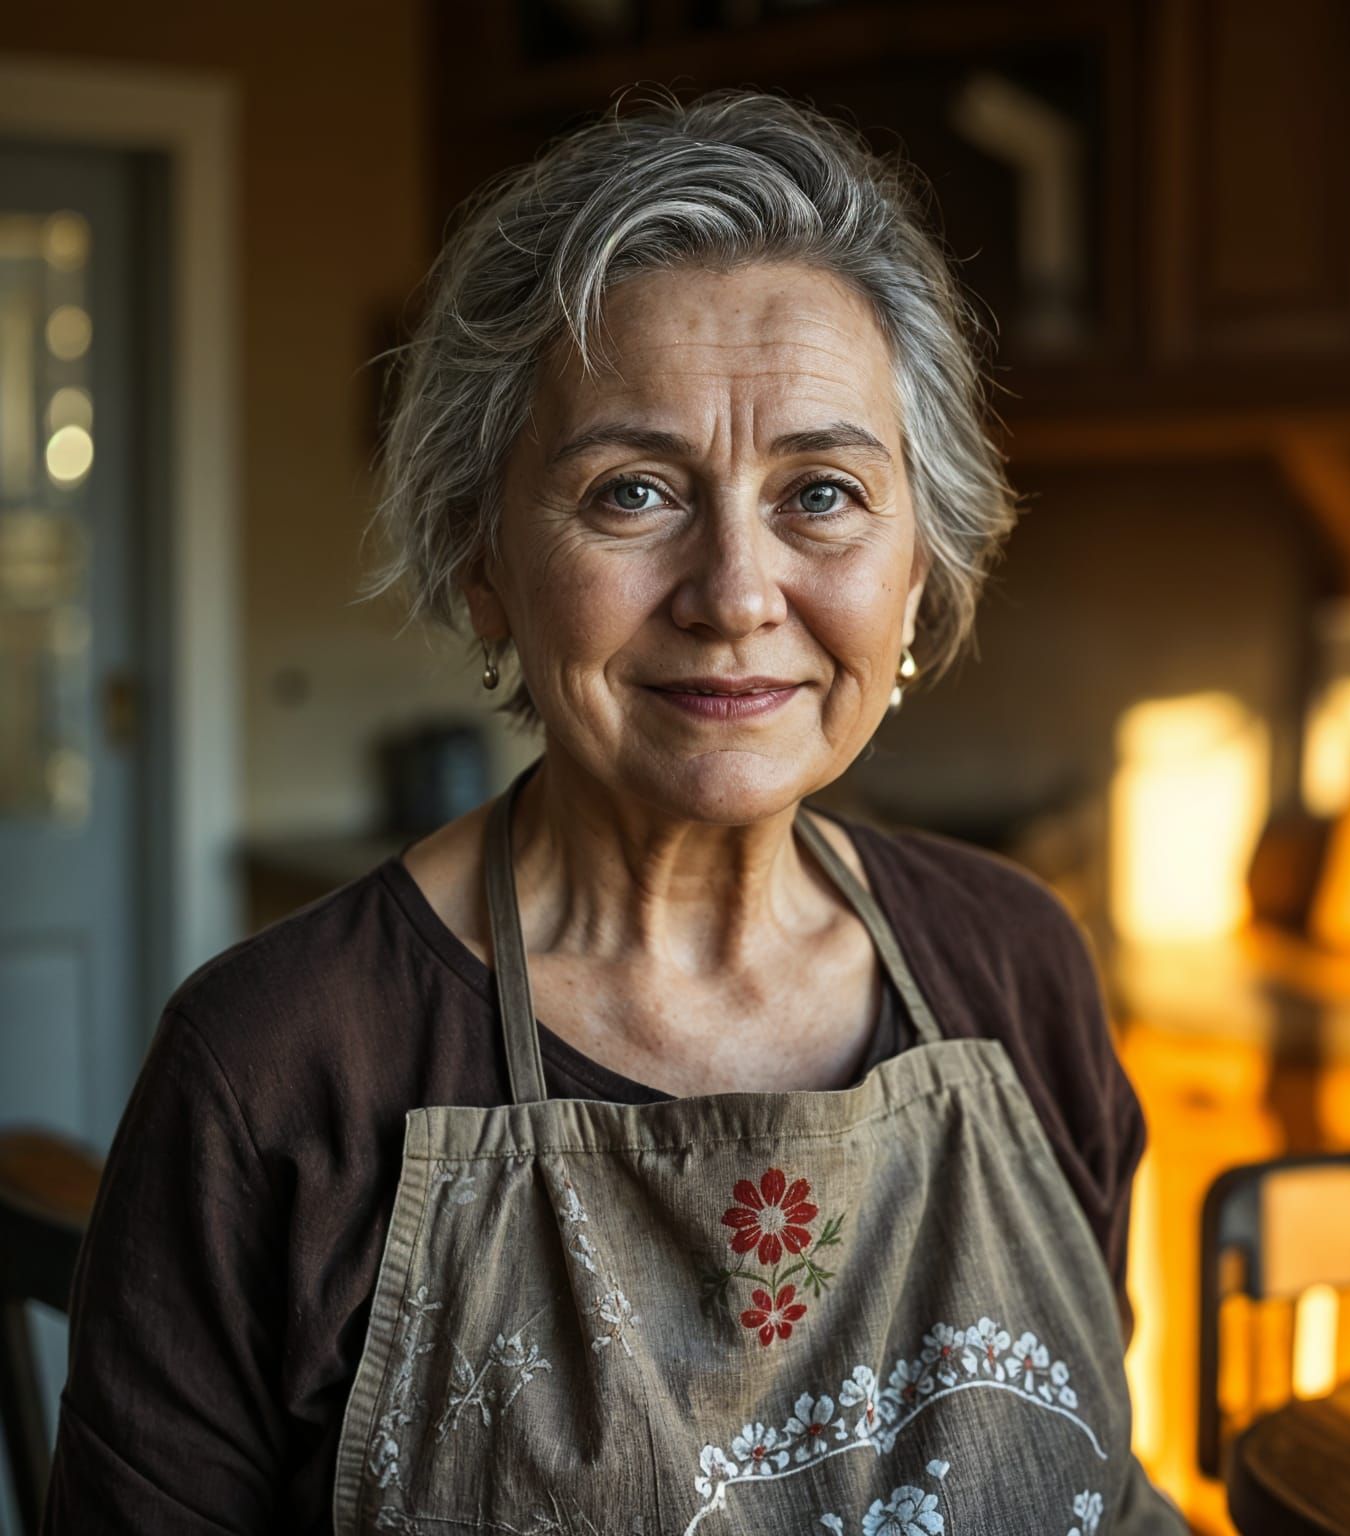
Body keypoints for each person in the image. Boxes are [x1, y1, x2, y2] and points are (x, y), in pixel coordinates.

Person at [44, 88, 1186, 1533]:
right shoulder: (276, 1066)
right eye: (634, 492)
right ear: (483, 562)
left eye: (822, 493)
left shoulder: (1018, 966)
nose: (736, 595)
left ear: (917, 568)